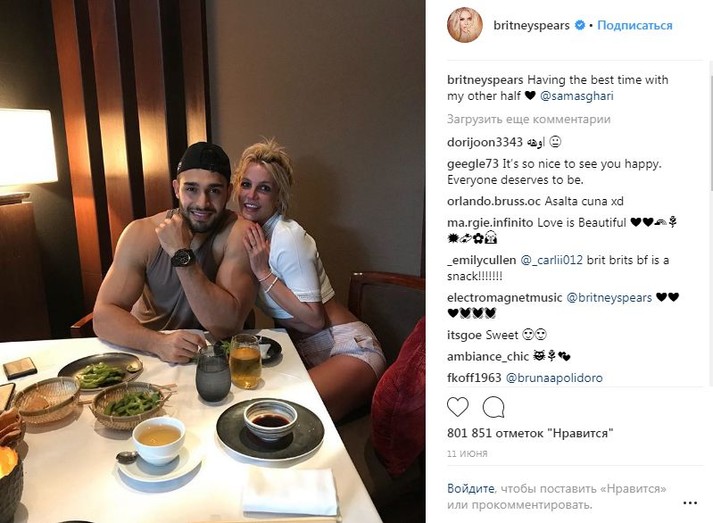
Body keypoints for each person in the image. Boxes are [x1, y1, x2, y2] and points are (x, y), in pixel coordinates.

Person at [233, 138, 386, 421]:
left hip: (351, 351)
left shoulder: (287, 236)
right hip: (308, 355)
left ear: (278, 196)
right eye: (246, 184)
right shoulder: (251, 234)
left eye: (264, 188)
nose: (251, 195)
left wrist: (262, 272)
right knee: (267, 420)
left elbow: (315, 320)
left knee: (277, 415)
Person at [93, 142, 257, 363]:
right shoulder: (141, 233)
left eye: (214, 190)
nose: (203, 203)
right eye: (191, 189)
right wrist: (157, 343)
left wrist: (181, 253)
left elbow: (226, 327)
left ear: (228, 192)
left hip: (214, 356)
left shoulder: (240, 233)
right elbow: (103, 316)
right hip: (149, 353)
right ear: (176, 188)